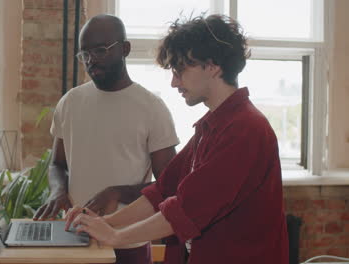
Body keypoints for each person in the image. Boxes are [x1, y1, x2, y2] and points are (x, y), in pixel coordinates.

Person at [65, 14, 289, 264]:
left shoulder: (246, 129)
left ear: (212, 65)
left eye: (180, 70)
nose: (174, 82)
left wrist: (116, 237)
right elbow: (162, 191)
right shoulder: (212, 126)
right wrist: (104, 223)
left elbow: (184, 210)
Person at [33, 14, 179, 264]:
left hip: (127, 241)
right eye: (85, 54)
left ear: (125, 49)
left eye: (100, 50)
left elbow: (169, 186)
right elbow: (58, 164)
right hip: (76, 238)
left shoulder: (152, 108)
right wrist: (58, 190)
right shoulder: (70, 102)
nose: (91, 61)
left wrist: (117, 192)